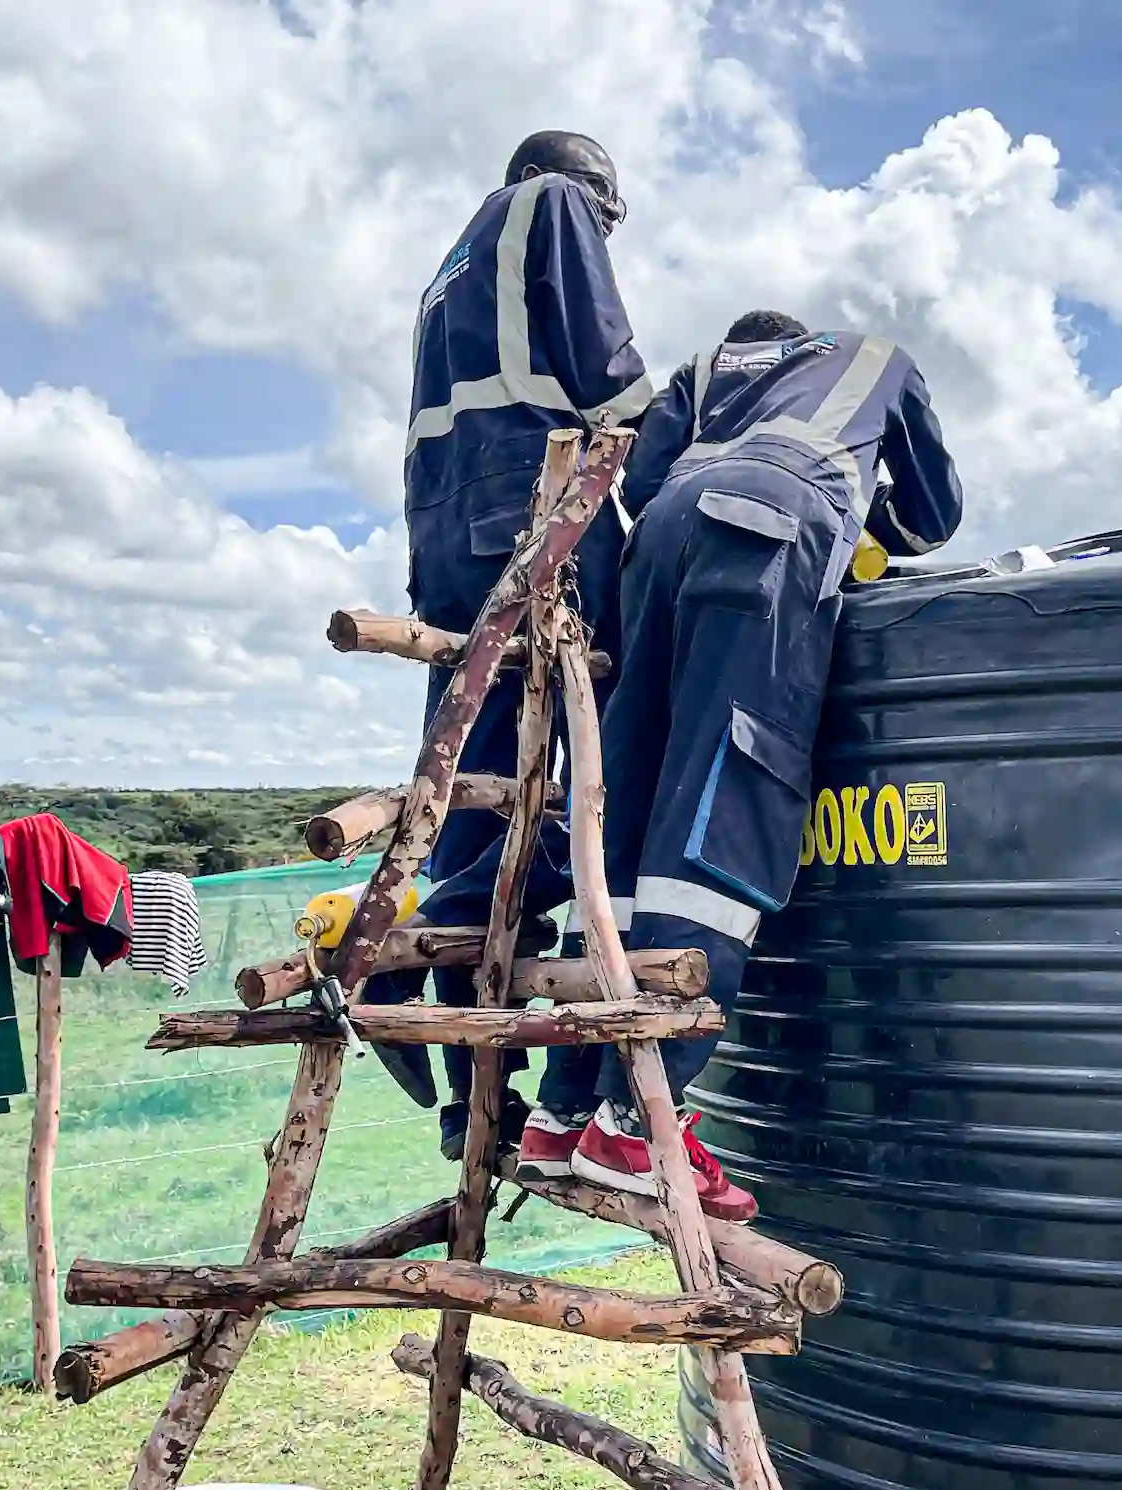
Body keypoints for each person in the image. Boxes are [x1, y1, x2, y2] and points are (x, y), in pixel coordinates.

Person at [516, 311, 963, 1220]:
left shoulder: (705, 366)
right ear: (810, 342)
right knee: (724, 808)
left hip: (658, 550)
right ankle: (638, 1126)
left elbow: (640, 479)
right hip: (766, 535)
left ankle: (562, 1112)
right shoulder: (877, 361)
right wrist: (853, 539)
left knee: (630, 813)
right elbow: (930, 518)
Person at [372, 130, 653, 1155]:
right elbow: (608, 369)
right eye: (612, 219)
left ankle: (470, 1093)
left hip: (443, 528)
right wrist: (677, 474)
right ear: (592, 191)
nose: (609, 235)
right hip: (528, 504)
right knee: (629, 716)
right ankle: (581, 921)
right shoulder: (552, 205)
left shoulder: (446, 272)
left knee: (477, 775)